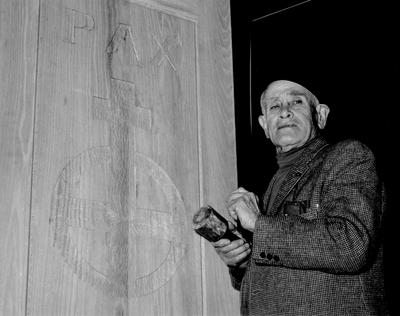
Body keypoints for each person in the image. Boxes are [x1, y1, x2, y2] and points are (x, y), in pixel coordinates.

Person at [212, 80, 388, 315]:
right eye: (274, 106)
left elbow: (352, 245)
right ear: (265, 125)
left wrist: (258, 225)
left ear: (321, 115)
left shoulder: (348, 157)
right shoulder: (270, 190)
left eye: (296, 101)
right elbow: (280, 269)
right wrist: (242, 260)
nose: (284, 111)